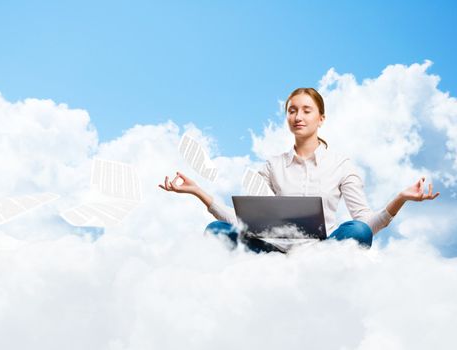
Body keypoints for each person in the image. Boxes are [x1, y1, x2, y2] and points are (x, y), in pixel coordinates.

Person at [158, 87, 440, 253]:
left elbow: (367, 223)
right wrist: (197, 192)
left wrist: (400, 198)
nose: (298, 116)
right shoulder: (272, 167)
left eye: (306, 110)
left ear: (321, 118)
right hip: (273, 252)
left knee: (357, 230)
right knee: (217, 230)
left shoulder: (341, 165)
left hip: (323, 252)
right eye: (292, 110)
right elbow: (244, 221)